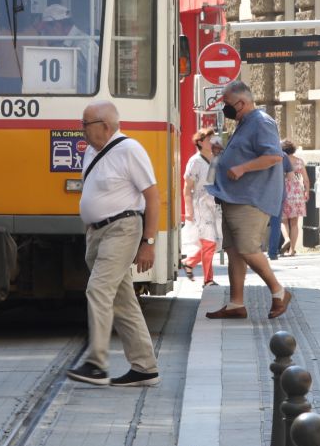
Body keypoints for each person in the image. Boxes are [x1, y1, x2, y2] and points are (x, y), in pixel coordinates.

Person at [66, 101, 160, 387]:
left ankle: (96, 363)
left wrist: (149, 242)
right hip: (97, 234)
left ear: (105, 126)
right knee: (123, 301)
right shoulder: (92, 153)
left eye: (85, 124)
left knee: (98, 290)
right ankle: (145, 367)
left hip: (122, 229)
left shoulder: (130, 150)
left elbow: (153, 197)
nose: (81, 130)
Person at [205, 80, 293, 320]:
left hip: (250, 199)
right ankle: (236, 304)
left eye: (227, 104)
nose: (225, 108)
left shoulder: (261, 122)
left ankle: (278, 291)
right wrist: (222, 155)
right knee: (234, 251)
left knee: (246, 248)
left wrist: (243, 168)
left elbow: (274, 156)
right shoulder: (245, 122)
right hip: (234, 197)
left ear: (241, 103)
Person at [181, 129, 223, 286]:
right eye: (208, 139)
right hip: (201, 205)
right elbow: (187, 187)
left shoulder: (215, 159)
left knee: (216, 242)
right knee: (209, 242)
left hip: (215, 204)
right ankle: (208, 279)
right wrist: (188, 211)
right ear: (200, 142)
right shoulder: (195, 161)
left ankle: (190, 262)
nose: (212, 141)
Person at [280, 139, 310, 257]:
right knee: (294, 223)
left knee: (283, 221)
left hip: (283, 191)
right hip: (297, 192)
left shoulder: (280, 161)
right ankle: (292, 250)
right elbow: (306, 179)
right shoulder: (299, 161)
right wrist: (307, 191)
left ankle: (286, 239)